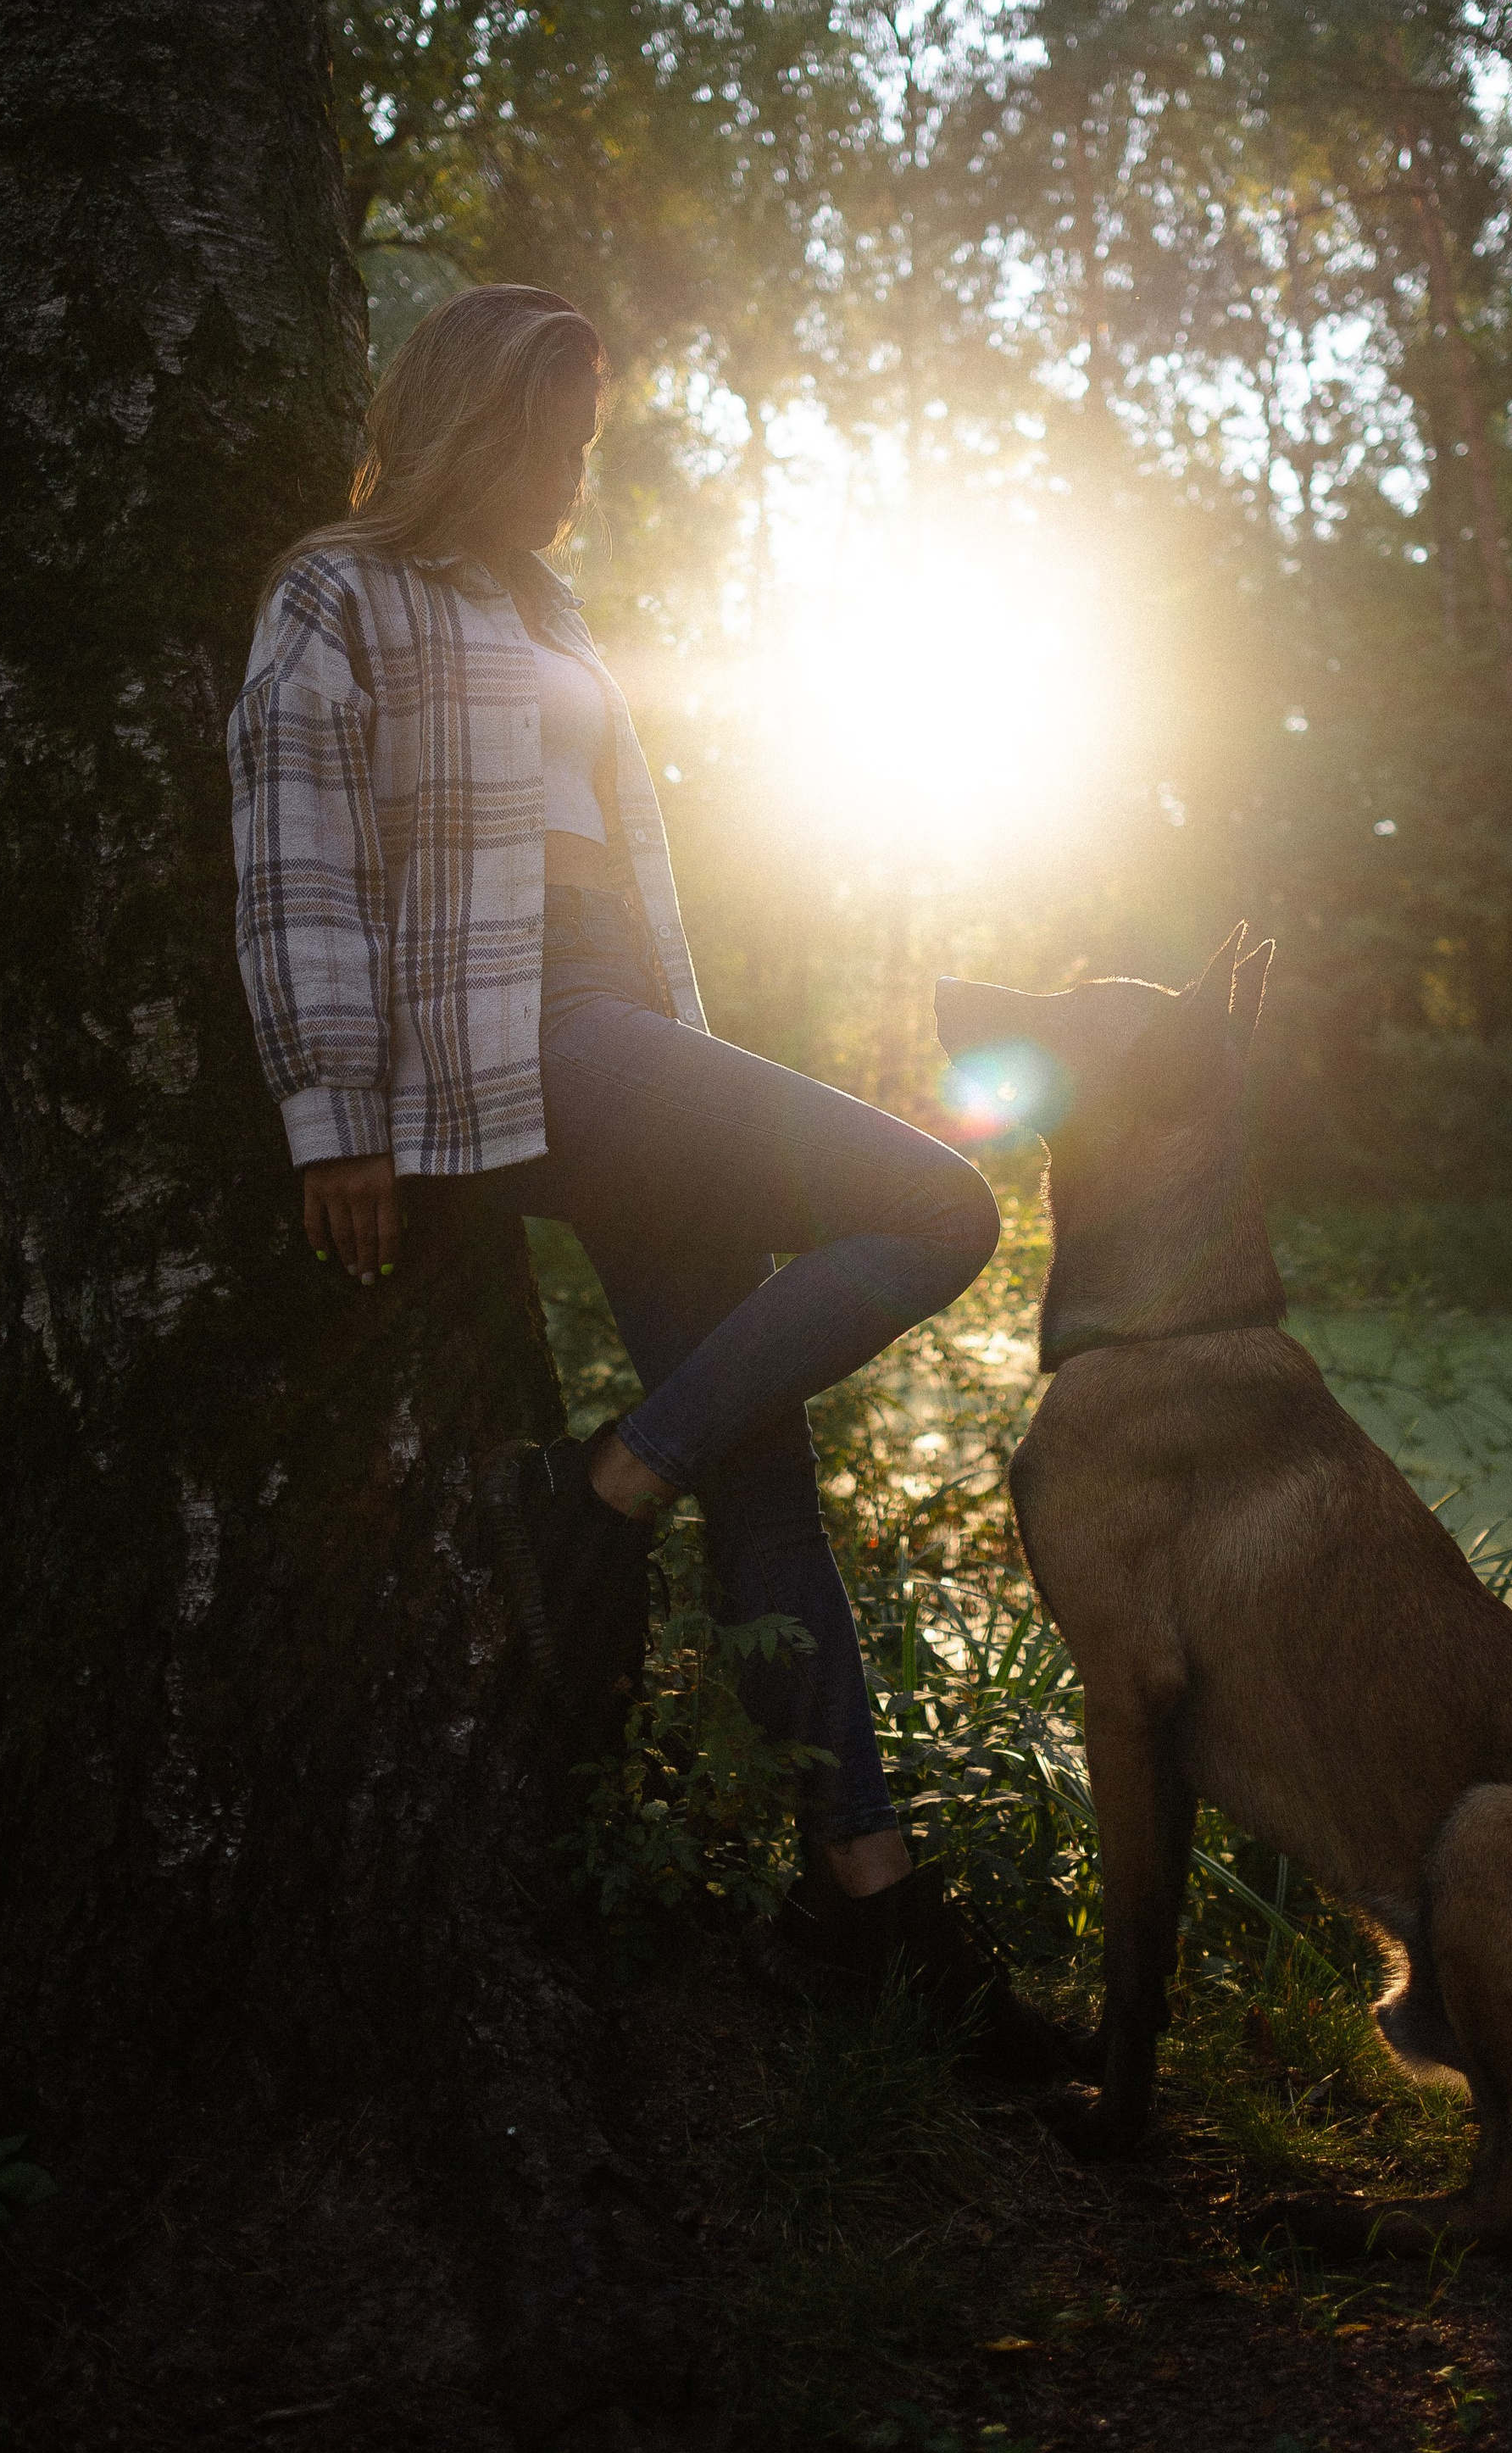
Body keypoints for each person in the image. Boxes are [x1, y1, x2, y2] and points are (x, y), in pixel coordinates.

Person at [227, 282, 1049, 2043]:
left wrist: (681, 1041)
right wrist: (335, 1112)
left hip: (624, 1029)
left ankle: (860, 1898)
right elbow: (295, 865)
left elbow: (625, 861)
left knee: (765, 1476)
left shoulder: (552, 607)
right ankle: (607, 1481)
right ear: (473, 427)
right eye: (556, 443)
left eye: (589, 448)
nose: (575, 480)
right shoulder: (337, 591)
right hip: (521, 1031)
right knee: (941, 1204)